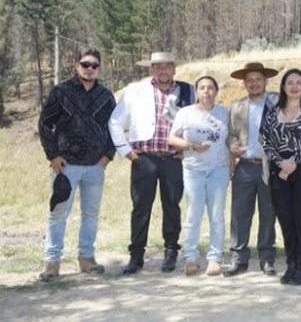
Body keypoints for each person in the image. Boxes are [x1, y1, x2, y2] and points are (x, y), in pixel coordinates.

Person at [109, 52, 195, 274]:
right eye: (158, 67)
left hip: (173, 159)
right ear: (150, 70)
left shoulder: (187, 90)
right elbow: (115, 121)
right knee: (140, 208)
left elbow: (196, 121)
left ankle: (170, 252)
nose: (163, 71)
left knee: (172, 206)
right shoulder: (135, 91)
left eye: (167, 67)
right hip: (144, 159)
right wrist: (127, 152)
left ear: (174, 69)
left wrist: (187, 151)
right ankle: (136, 256)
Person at [37, 47, 116, 280]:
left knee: (90, 214)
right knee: (58, 213)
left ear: (99, 68)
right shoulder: (60, 92)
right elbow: (44, 124)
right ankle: (52, 262)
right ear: (76, 65)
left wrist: (108, 156)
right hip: (66, 166)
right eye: (85, 64)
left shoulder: (106, 96)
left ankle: (86, 258)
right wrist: (53, 155)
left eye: (94, 65)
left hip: (95, 166)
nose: (90, 69)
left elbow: (114, 127)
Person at [261, 68, 301, 286]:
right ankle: (291, 263)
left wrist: (292, 163)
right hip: (280, 173)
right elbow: (266, 142)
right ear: (283, 87)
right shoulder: (271, 113)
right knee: (286, 219)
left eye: (299, 83)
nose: (294, 87)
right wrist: (281, 163)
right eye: (290, 83)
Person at [168, 76, 230, 276]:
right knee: (193, 214)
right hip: (193, 169)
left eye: (210, 87)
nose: (206, 91)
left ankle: (215, 257)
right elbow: (172, 138)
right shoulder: (185, 113)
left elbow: (231, 139)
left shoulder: (224, 113)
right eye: (202, 88)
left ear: (216, 91)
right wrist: (190, 146)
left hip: (218, 169)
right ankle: (190, 257)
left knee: (217, 214)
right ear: (196, 91)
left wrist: (233, 162)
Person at [224, 62, 280, 277]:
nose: (254, 83)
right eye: (250, 80)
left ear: (265, 81)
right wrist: (231, 146)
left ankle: (267, 258)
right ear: (244, 83)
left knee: (268, 212)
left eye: (258, 79)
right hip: (245, 166)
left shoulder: (277, 102)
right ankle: (239, 258)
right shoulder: (237, 107)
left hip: (269, 166)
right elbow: (230, 134)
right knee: (240, 213)